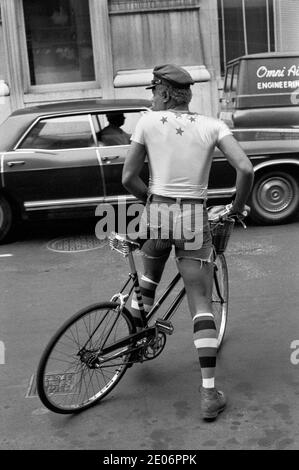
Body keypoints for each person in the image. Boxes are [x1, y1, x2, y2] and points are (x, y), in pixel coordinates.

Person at [122, 64, 254, 421]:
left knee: (147, 282)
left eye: (153, 90)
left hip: (159, 213)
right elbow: (245, 169)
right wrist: (237, 208)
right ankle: (209, 393)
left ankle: (135, 346)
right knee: (200, 301)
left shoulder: (148, 122)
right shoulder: (213, 125)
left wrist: (151, 201)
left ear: (165, 93)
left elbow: (128, 177)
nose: (151, 96)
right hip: (194, 218)